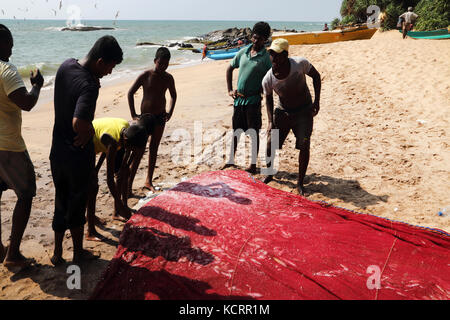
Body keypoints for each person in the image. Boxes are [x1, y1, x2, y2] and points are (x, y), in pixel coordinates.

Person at [49, 35, 123, 266]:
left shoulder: (65, 65)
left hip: (57, 151)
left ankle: (58, 253)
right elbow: (78, 123)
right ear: (101, 61)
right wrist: (89, 131)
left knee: (60, 200)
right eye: (110, 67)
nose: (110, 72)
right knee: (77, 202)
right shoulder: (90, 86)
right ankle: (78, 253)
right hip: (76, 154)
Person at [0, 24, 44, 269]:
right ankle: (13, 254)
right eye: (9, 44)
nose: (12, 50)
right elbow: (26, 103)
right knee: (26, 194)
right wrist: (37, 85)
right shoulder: (6, 70)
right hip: (9, 146)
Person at [261, 38, 321, 196]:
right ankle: (269, 173)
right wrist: (270, 121)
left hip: (304, 111)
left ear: (286, 55)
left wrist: (317, 101)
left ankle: (300, 183)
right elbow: (268, 98)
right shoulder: (268, 78)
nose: (274, 57)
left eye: (277, 54)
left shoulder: (300, 64)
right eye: (271, 54)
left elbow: (316, 76)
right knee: (270, 144)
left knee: (304, 145)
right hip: (283, 112)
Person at [86, 118, 148, 241]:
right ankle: (90, 231)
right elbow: (109, 180)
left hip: (96, 141)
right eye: (130, 149)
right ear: (125, 141)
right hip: (84, 142)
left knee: (93, 180)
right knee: (92, 187)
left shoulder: (125, 128)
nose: (129, 152)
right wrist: (120, 205)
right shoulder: (113, 142)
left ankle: (91, 216)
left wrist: (96, 168)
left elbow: (105, 151)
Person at [224, 21, 272, 174]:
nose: (256, 41)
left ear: (265, 40)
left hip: (253, 101)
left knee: (253, 133)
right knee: (236, 131)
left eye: (260, 39)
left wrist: (264, 92)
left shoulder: (266, 58)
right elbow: (229, 68)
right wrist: (230, 90)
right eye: (254, 37)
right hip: (239, 100)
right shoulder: (243, 52)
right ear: (252, 36)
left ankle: (252, 164)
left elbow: (271, 78)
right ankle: (230, 160)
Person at [127, 47, 177, 193]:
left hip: (160, 117)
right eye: (160, 63)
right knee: (138, 150)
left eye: (166, 64)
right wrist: (134, 114)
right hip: (144, 119)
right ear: (155, 61)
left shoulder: (168, 78)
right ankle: (129, 184)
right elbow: (130, 93)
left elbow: (173, 95)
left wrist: (170, 112)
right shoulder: (145, 75)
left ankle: (148, 180)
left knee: (154, 148)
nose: (163, 66)